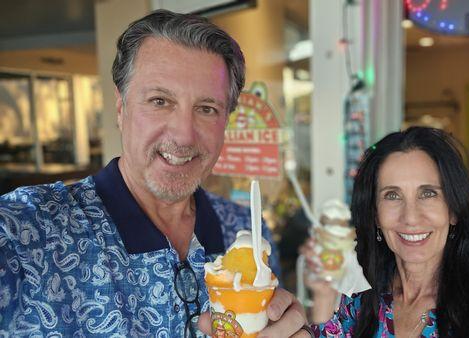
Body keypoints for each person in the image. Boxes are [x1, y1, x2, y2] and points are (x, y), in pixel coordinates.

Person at [0, 10, 311, 338]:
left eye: (207, 109)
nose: (184, 136)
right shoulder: (23, 232)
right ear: (121, 109)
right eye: (160, 101)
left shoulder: (246, 231)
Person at [308, 127, 469, 337]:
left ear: (454, 209)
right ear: (375, 215)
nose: (411, 218)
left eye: (428, 193)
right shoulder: (360, 297)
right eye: (392, 195)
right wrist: (322, 297)